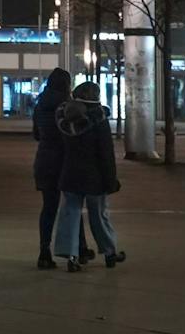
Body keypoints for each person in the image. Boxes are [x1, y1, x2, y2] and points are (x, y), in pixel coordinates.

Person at [53, 81, 125, 272]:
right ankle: (109, 252)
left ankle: (71, 256)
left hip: (70, 174)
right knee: (99, 215)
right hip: (95, 177)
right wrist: (111, 180)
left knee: (70, 215)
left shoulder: (64, 116)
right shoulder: (99, 120)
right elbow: (106, 154)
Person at [32, 67, 91, 270]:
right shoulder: (67, 105)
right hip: (65, 160)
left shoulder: (39, 105)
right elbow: (75, 133)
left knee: (48, 208)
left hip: (44, 160)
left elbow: (37, 134)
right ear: (67, 84)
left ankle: (44, 252)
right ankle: (79, 248)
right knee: (72, 206)